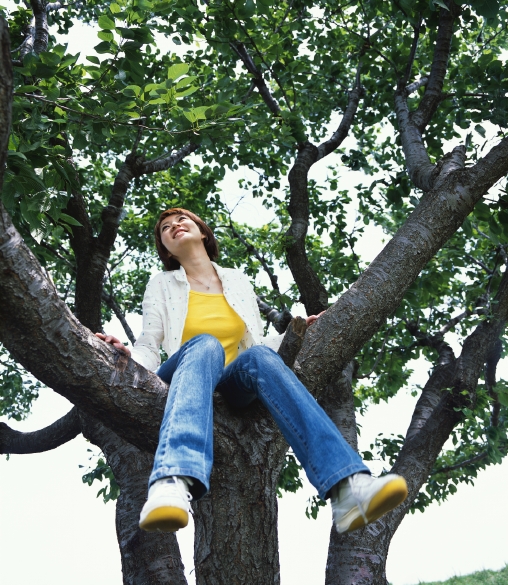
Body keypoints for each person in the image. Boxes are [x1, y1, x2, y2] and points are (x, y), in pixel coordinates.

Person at [96, 208, 407, 534]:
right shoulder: (162, 284)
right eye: (165, 229)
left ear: (202, 232)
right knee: (206, 344)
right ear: (166, 250)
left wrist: (297, 335)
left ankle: (347, 488)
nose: (174, 227)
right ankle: (171, 480)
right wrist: (126, 356)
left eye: (181, 221)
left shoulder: (236, 280)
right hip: (188, 373)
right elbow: (149, 345)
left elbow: (255, 344)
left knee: (258, 355)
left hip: (231, 382)